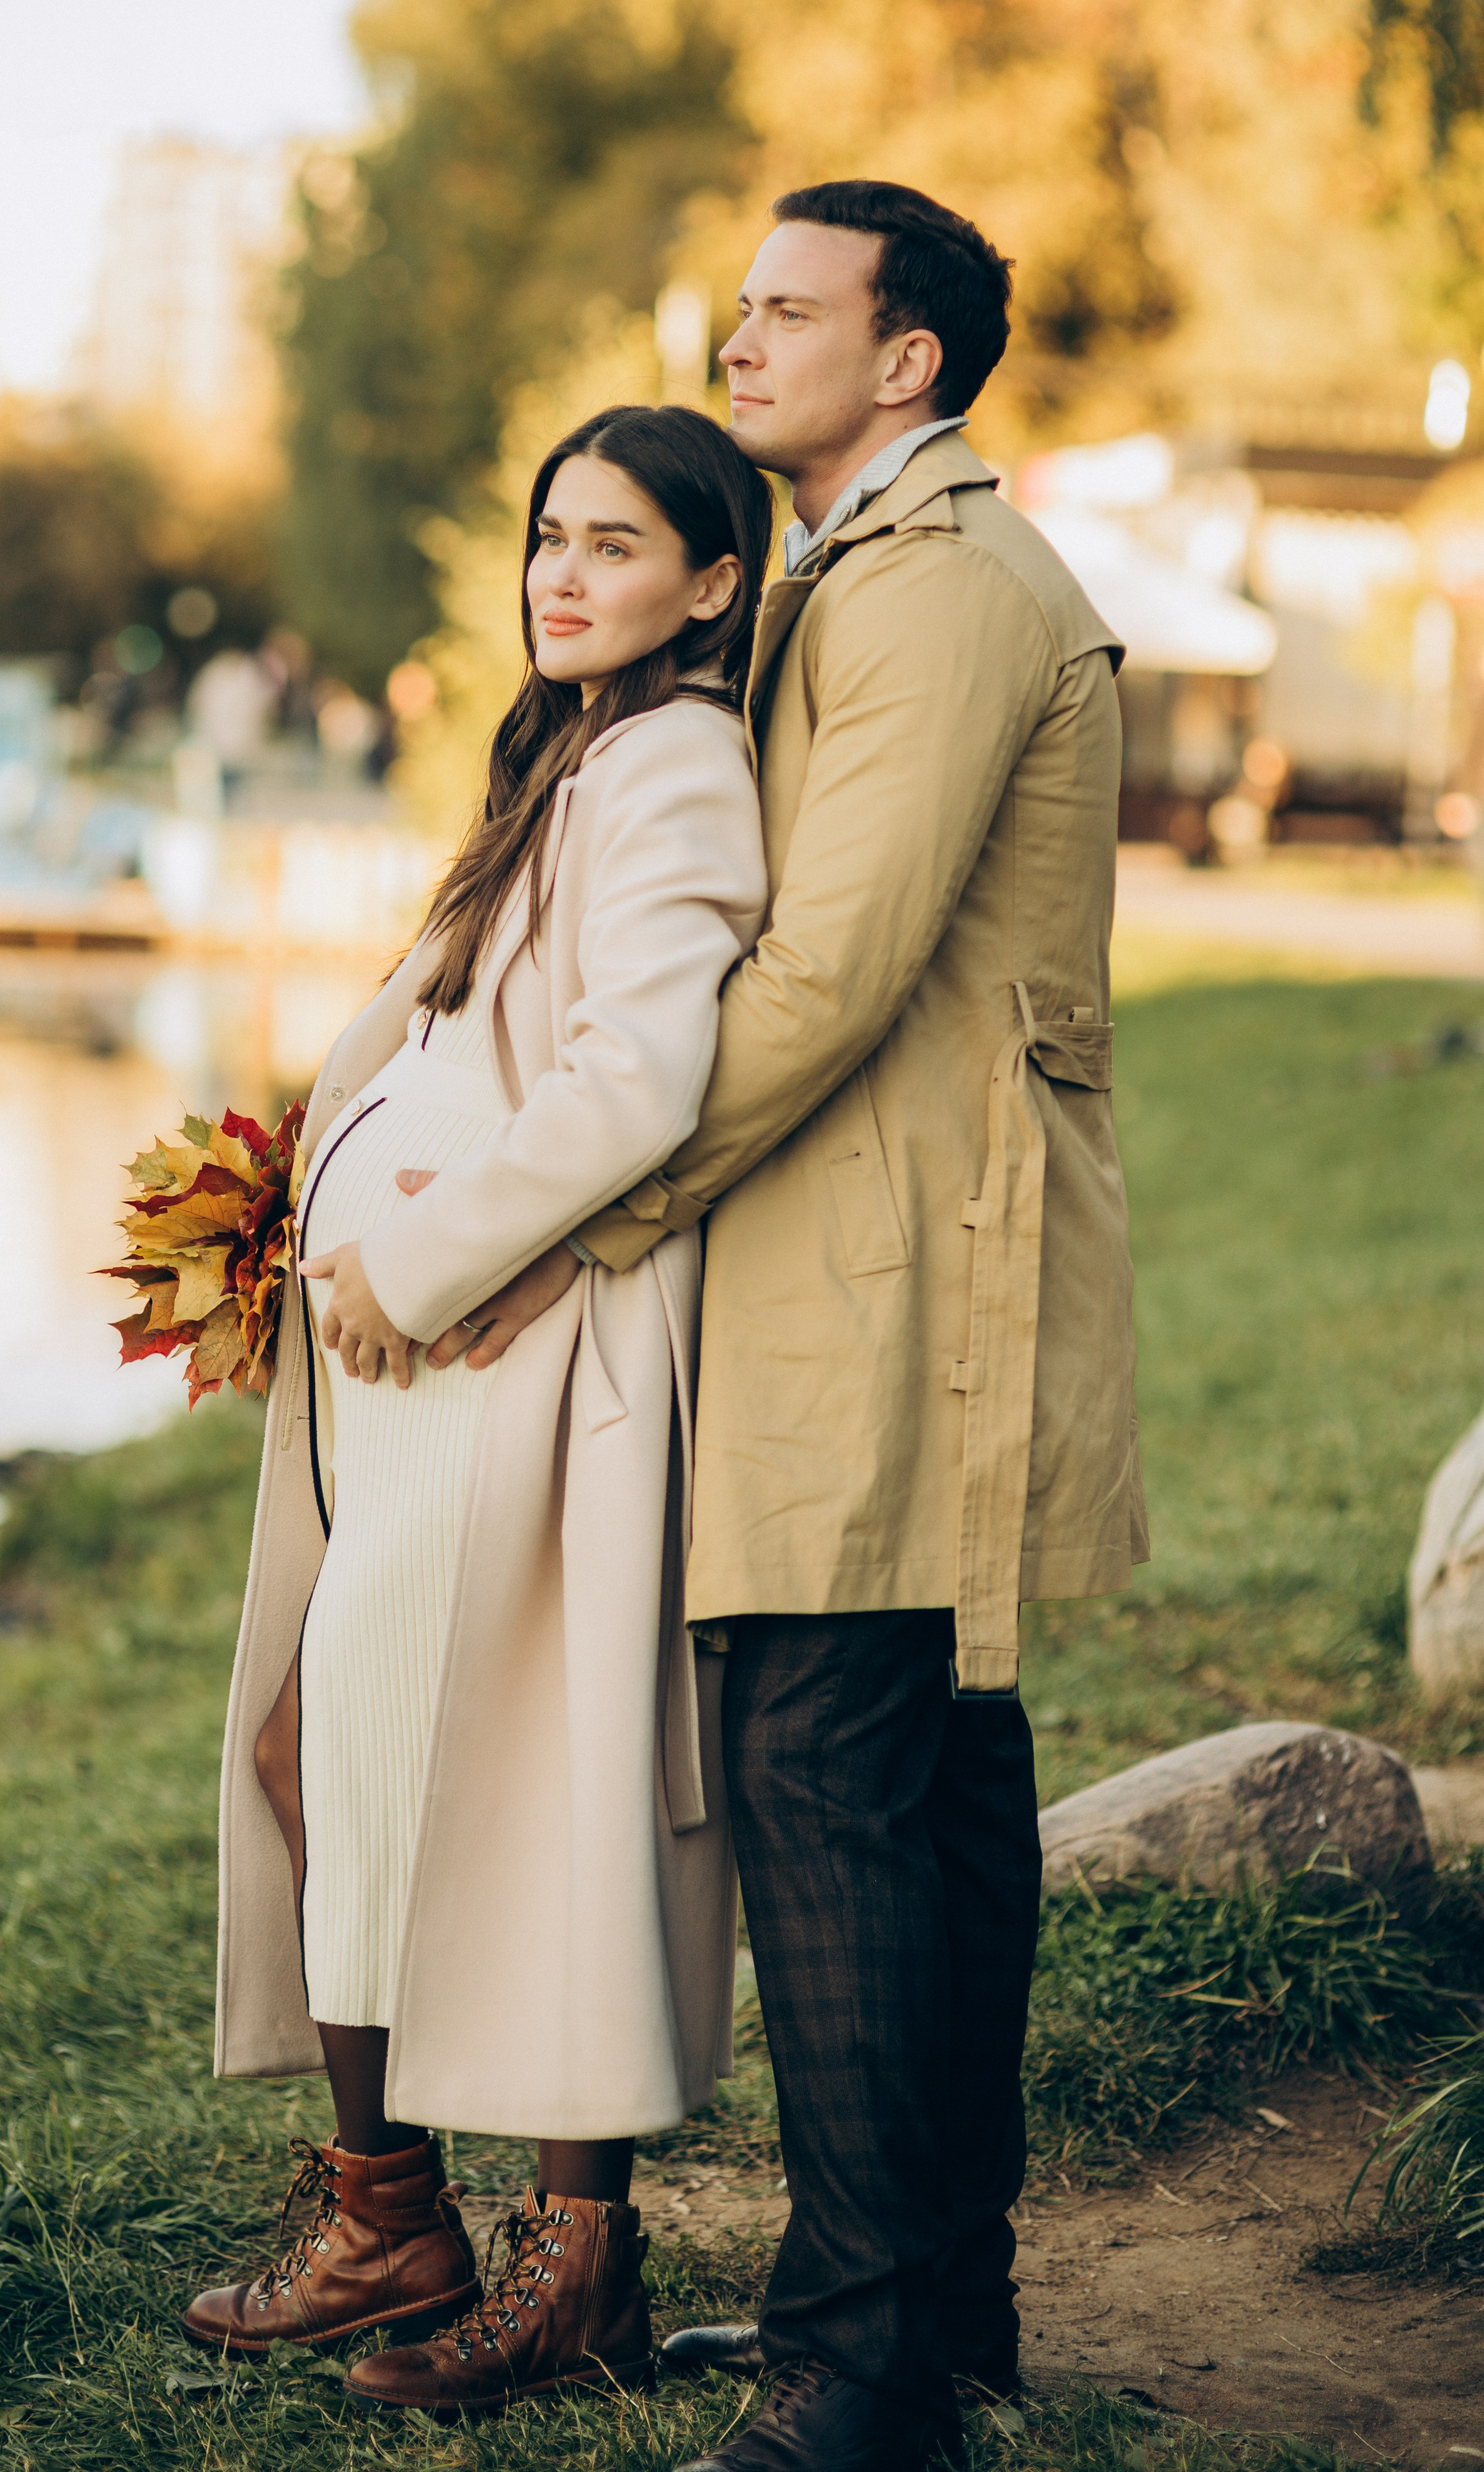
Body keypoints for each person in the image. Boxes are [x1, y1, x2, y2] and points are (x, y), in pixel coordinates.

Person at [419, 181, 1147, 2471]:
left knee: (842, 1791)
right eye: (736, 307)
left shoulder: (938, 596)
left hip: (906, 1273)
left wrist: (587, 1218)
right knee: (919, 1798)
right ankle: (932, 2317)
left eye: (790, 312)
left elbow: (821, 978)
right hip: (876, 1261)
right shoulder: (865, 572)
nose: (741, 342)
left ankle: (863, 2370)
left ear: (907, 359)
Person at [182, 404, 774, 2418]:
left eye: (613, 544)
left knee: (521, 1790)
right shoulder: (567, 758)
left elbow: (637, 1082)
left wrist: (421, 1256)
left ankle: (551, 2261)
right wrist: (296, 1190)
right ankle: (394, 2219)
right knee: (328, 1751)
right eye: (547, 536)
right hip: (415, 1385)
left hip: (521, 1367)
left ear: (712, 581)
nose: (561, 571)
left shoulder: (679, 763)